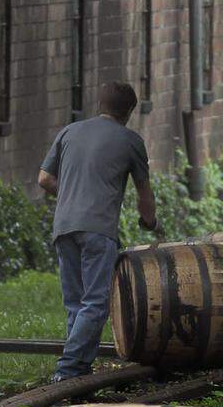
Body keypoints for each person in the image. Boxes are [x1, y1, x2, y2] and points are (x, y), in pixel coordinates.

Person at [38, 81, 157, 381]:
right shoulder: (131, 141)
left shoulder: (69, 131)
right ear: (129, 111)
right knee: (95, 303)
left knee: (75, 303)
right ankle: (67, 370)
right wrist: (150, 221)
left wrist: (72, 195)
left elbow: (44, 179)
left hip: (64, 226)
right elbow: (144, 194)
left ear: (99, 104)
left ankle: (79, 369)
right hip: (98, 229)